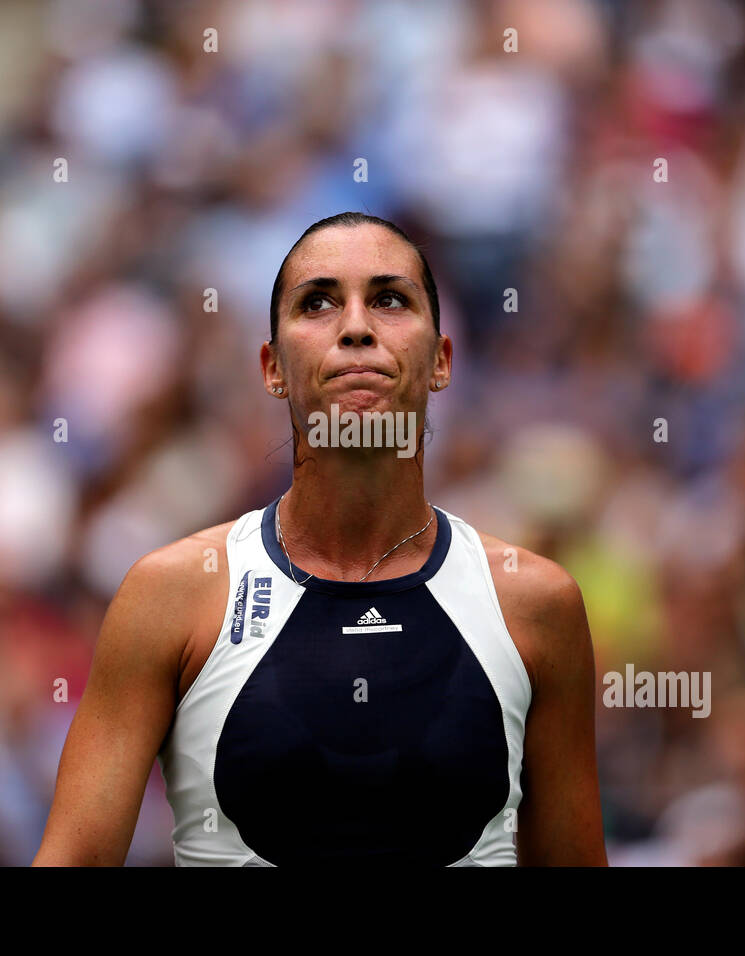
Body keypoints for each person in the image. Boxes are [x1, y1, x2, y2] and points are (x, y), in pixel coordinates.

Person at [33, 212, 607, 866]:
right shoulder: (169, 597)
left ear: (442, 361)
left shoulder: (538, 605)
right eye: (318, 303)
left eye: (390, 300)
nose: (356, 326)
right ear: (272, 369)